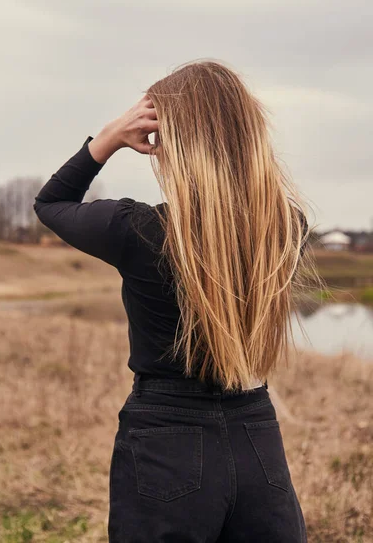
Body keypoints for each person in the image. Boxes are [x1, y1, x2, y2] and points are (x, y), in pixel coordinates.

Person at [34, 59, 317, 542]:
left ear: (174, 142)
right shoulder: (285, 227)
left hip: (166, 439)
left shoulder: (138, 230)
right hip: (257, 434)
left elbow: (52, 203)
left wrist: (107, 138)